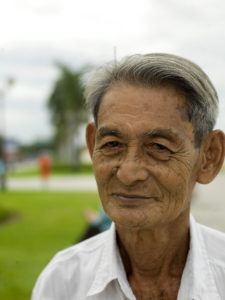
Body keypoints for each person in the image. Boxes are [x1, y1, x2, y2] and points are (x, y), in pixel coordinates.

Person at [32, 53, 225, 300]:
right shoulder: (63, 281)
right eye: (113, 144)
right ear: (92, 146)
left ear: (209, 157)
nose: (128, 173)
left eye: (159, 147)